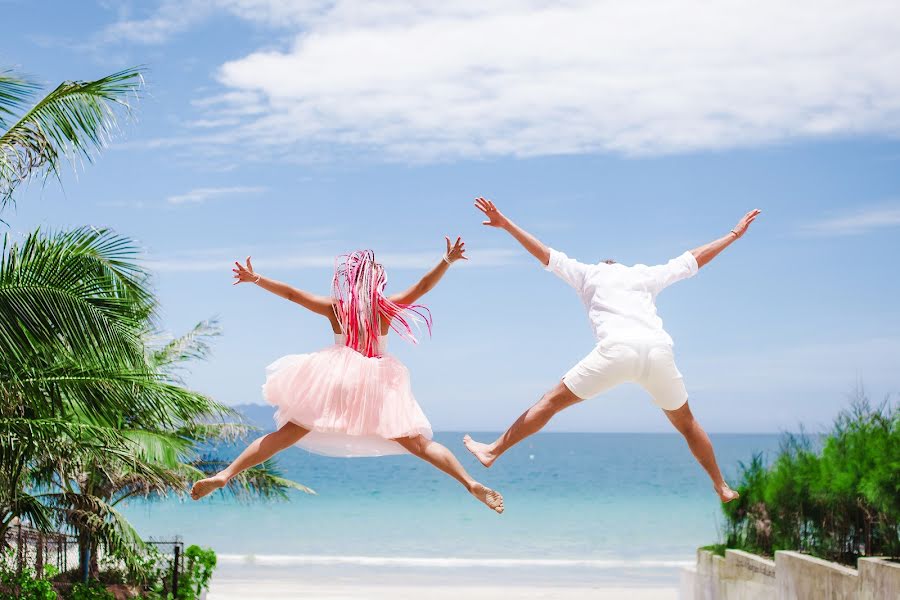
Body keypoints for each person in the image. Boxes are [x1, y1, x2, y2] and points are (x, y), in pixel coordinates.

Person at [463, 198, 761, 503]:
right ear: (618, 265)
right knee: (687, 423)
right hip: (658, 350)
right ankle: (721, 486)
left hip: (618, 350)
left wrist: (506, 223)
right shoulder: (643, 275)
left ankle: (492, 450)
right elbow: (694, 259)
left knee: (550, 402)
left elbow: (544, 253)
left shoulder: (588, 273)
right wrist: (733, 235)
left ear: (603, 265)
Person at [191, 238, 504, 514]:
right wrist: (446, 260)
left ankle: (226, 474)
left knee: (284, 436)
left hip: (337, 378)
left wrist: (256, 278)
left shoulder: (336, 307)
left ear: (350, 281)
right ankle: (469, 482)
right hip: (377, 381)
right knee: (419, 444)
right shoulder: (386, 307)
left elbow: (291, 294)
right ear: (377, 281)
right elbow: (422, 286)